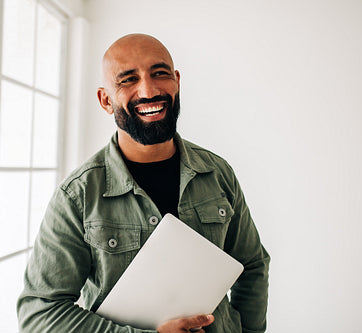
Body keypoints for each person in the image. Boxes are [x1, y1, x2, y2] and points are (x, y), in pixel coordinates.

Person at [17, 33, 270, 333]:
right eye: (128, 80)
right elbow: (40, 314)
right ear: (105, 100)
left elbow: (252, 266)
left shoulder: (217, 173)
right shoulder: (78, 195)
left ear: (176, 81)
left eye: (159, 74)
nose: (148, 90)